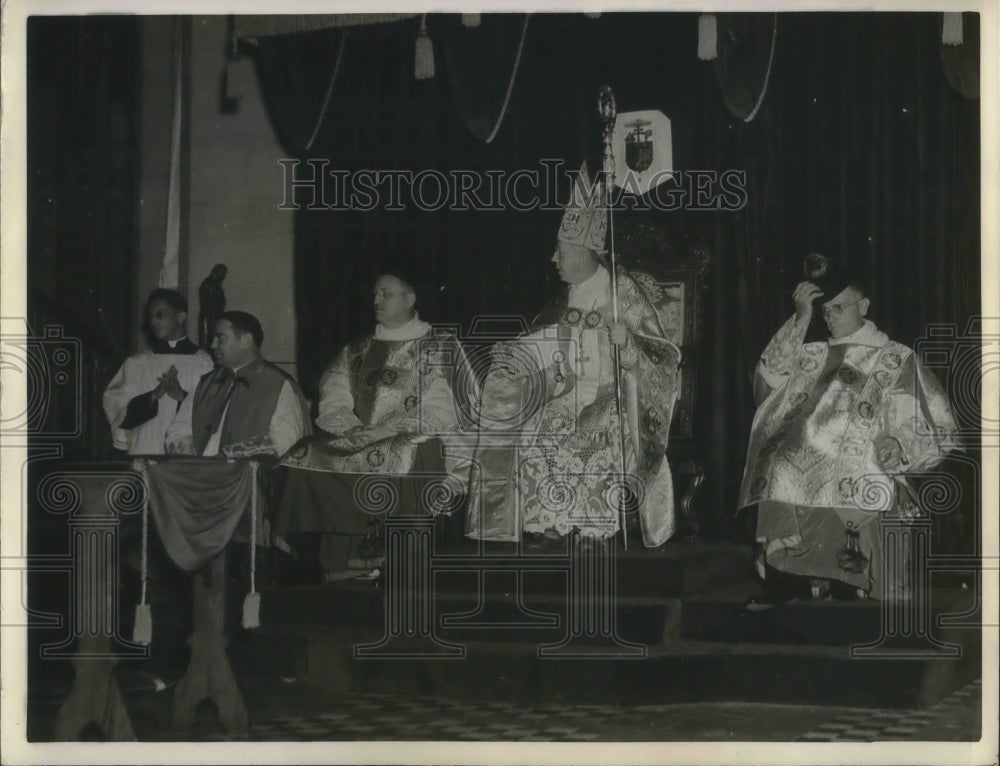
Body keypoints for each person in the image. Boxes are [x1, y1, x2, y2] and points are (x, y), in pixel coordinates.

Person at [466, 163, 682, 547]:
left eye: (561, 250)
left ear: (585, 252)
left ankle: (591, 527)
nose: (554, 258)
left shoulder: (623, 292)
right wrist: (513, 355)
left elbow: (661, 357)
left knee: (588, 432)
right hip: (563, 394)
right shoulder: (562, 298)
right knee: (536, 427)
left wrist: (628, 347)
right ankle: (550, 523)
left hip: (612, 398)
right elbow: (542, 344)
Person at [739, 254, 957, 605]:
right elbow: (767, 385)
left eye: (839, 308)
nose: (831, 318)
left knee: (860, 474)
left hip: (864, 454)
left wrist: (898, 444)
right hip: (807, 457)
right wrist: (801, 317)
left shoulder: (893, 357)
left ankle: (849, 582)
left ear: (864, 305)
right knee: (776, 463)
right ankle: (796, 583)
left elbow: (926, 417)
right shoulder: (813, 353)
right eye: (826, 311)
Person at [272, 261, 476, 580]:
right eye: (375, 294)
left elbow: (443, 408)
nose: (376, 300)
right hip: (359, 435)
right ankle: (334, 559)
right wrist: (351, 427)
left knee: (408, 451)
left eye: (386, 293)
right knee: (304, 453)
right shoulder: (357, 349)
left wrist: (385, 430)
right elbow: (334, 395)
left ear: (410, 299)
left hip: (412, 436)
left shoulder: (440, 346)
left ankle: (400, 562)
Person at [165, 310, 310, 458]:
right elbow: (179, 429)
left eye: (220, 339)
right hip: (201, 475)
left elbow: (286, 438)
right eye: (213, 339)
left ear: (246, 340)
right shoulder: (206, 383)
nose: (213, 345)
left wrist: (228, 456)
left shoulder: (278, 384)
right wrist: (195, 461)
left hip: (249, 477)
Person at [103, 289, 214, 455]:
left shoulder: (203, 363)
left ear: (181, 317)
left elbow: (211, 416)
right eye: (150, 317)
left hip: (184, 457)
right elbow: (117, 411)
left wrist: (182, 396)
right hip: (144, 449)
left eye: (160, 315)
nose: (153, 322)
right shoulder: (137, 363)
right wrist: (152, 397)